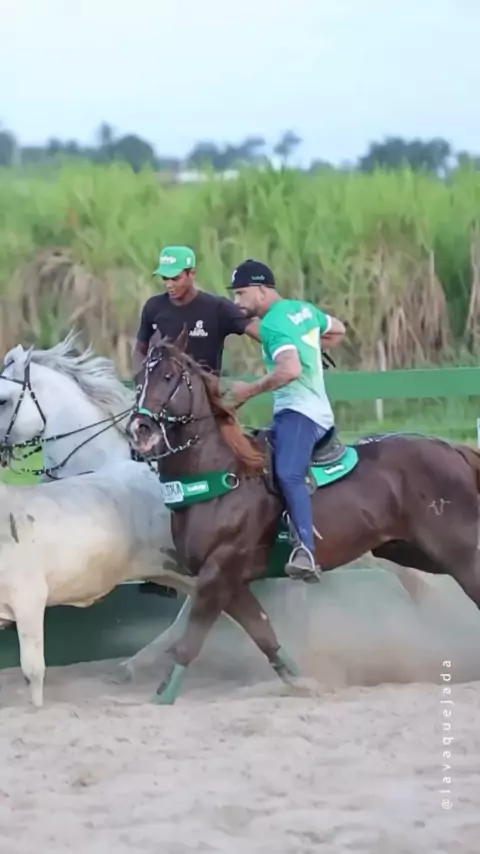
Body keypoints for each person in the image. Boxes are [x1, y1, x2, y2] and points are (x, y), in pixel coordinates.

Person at [227, 258, 345, 582]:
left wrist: (249, 390)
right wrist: (310, 348)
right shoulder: (302, 310)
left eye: (241, 293)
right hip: (313, 409)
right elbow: (338, 330)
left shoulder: (273, 325)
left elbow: (290, 369)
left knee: (288, 473)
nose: (237, 301)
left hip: (301, 412)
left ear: (262, 290)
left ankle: (306, 550)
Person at [131, 244, 260, 376]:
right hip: (164, 385)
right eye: (165, 278)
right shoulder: (153, 307)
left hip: (206, 386)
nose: (169, 285)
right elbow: (139, 349)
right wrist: (143, 376)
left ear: (191, 273)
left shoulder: (217, 307)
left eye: (175, 278)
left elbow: (262, 333)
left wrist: (274, 356)